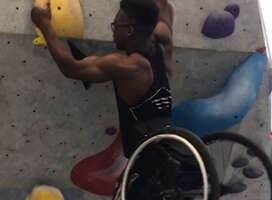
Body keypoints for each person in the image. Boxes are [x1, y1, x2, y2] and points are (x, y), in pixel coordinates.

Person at [31, 0, 175, 198]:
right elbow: (164, 14)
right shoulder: (162, 43)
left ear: (130, 31)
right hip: (168, 150)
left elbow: (71, 68)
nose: (113, 31)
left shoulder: (128, 66)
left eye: (116, 26)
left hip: (144, 163)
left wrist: (44, 24)